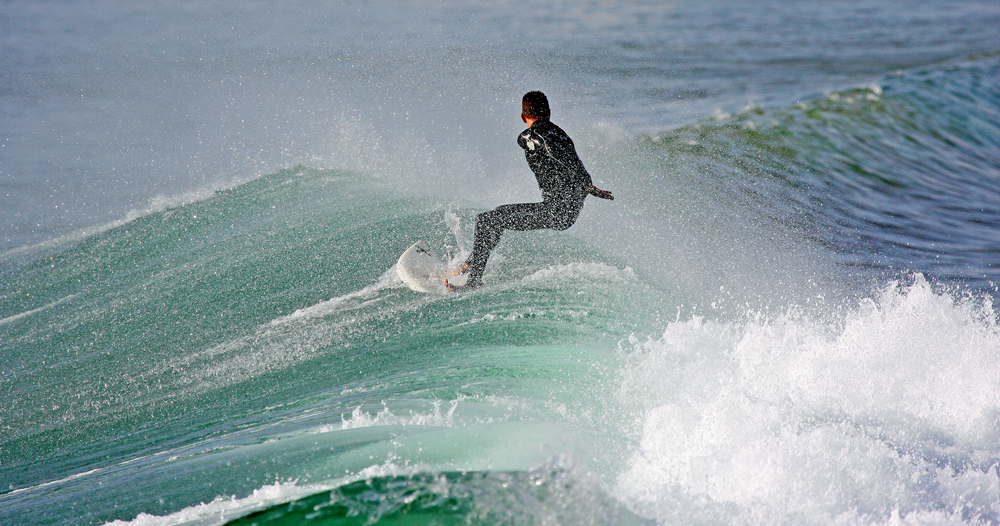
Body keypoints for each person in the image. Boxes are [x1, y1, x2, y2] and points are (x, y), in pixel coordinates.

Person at [446, 91, 614, 291]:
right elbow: (568, 158)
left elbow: (550, 149)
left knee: (487, 220)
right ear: (549, 112)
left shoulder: (530, 135)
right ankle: (469, 265)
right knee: (497, 216)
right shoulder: (561, 133)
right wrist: (586, 183)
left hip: (556, 211)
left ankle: (473, 282)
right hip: (568, 209)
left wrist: (585, 184)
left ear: (523, 116)